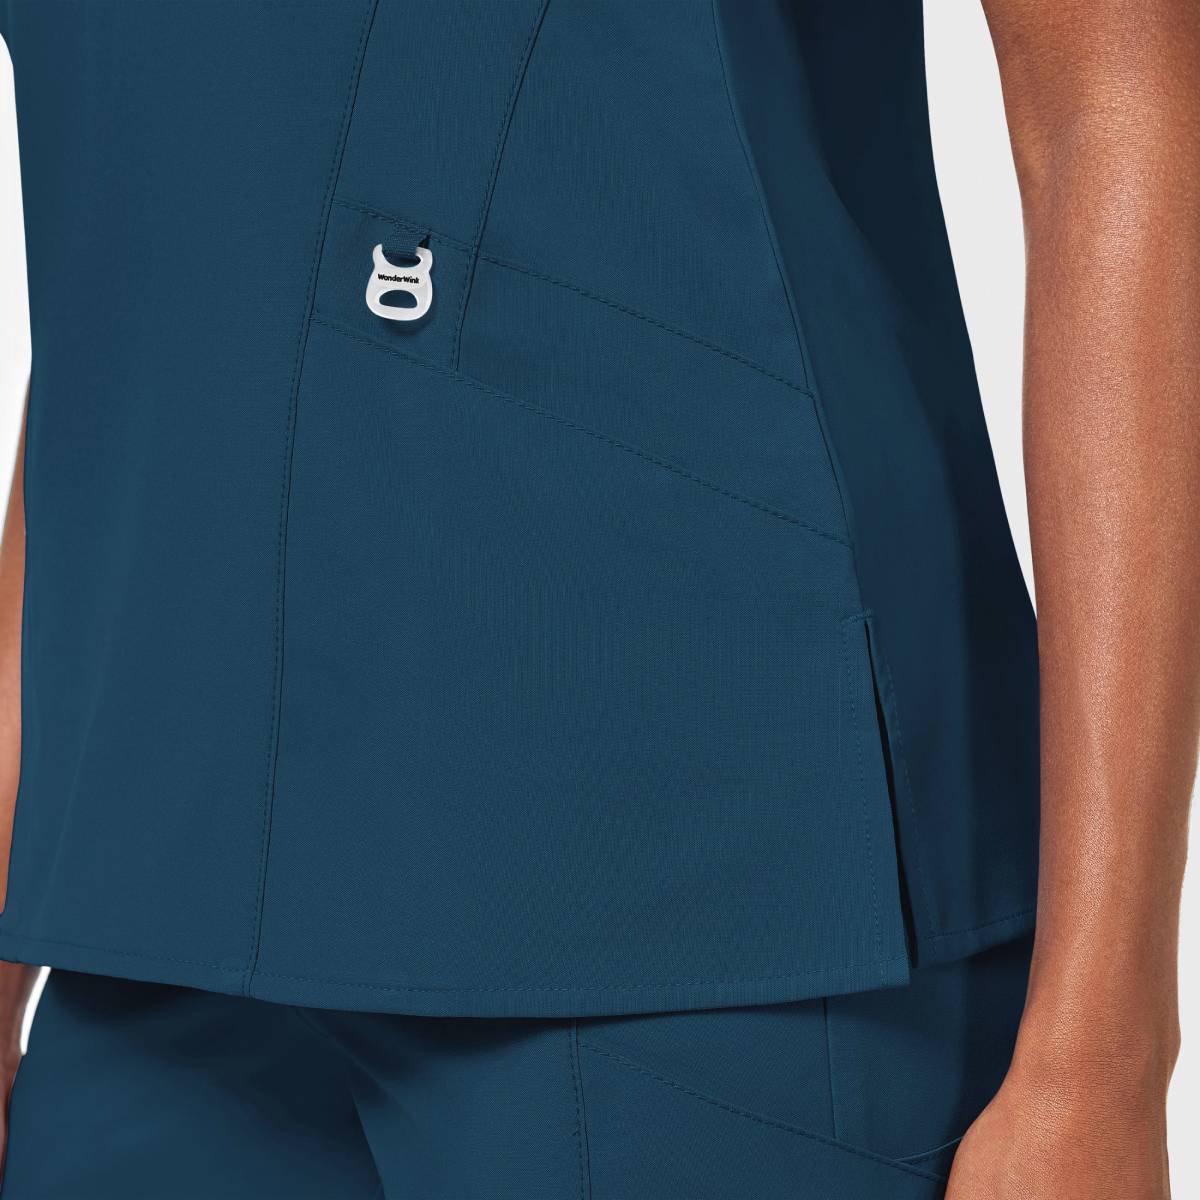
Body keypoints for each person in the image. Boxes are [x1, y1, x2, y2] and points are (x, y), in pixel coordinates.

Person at [0, 0, 1194, 1196]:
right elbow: (144, 276)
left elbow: (1112, 83)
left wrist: (1102, 1057)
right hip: (139, 942)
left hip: (718, 936)